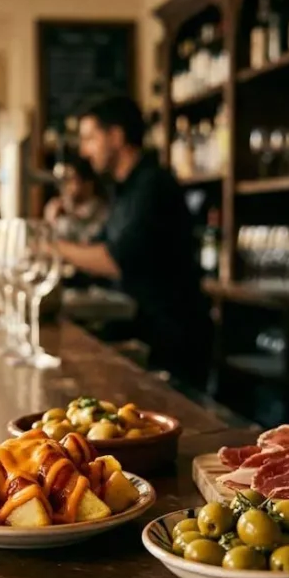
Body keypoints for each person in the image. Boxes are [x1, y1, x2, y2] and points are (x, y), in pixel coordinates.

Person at [53, 95, 214, 388]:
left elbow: (115, 260)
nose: (84, 150)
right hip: (147, 333)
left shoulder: (152, 185)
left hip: (171, 342)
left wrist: (49, 245)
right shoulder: (124, 190)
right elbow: (96, 247)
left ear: (115, 136)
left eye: (90, 138)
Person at [44, 158, 109, 245]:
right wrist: (50, 222)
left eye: (71, 180)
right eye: (63, 181)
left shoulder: (103, 212)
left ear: (88, 184)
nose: (65, 186)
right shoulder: (58, 208)